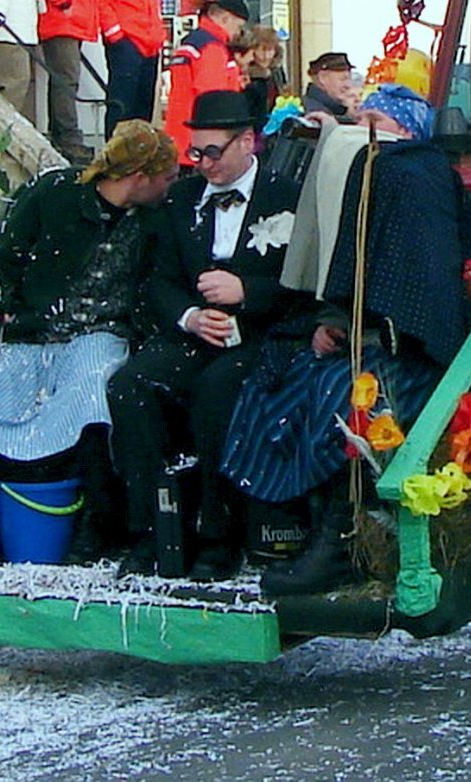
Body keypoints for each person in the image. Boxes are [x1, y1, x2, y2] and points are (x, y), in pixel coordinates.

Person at [220, 85, 471, 595]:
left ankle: (343, 542)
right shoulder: (373, 173)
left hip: (414, 352)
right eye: (359, 118)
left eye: (372, 121)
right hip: (363, 338)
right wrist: (330, 322)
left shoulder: (415, 176)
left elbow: (420, 284)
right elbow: (348, 266)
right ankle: (293, 526)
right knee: (281, 379)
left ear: (404, 130)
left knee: (342, 399)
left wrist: (371, 328)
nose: (359, 129)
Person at [0, 121, 179, 569]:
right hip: (30, 331)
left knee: (92, 393)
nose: (171, 186)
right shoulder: (52, 194)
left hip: (101, 333)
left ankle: (94, 525)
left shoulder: (156, 220)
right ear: (141, 177)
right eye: (168, 177)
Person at [108, 91, 303, 581]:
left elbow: (305, 285)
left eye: (213, 152)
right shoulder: (181, 199)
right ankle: (150, 530)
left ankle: (218, 535)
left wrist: (247, 292)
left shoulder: (286, 197)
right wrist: (191, 316)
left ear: (248, 142)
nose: (203, 164)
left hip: (261, 334)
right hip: (196, 332)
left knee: (217, 391)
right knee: (129, 385)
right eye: (196, 152)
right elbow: (159, 280)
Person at [163, 0, 248, 170]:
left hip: (180, 138)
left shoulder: (191, 43)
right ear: (225, 18)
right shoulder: (212, 47)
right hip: (200, 147)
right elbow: (213, 100)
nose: (237, 33)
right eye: (238, 26)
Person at [39, 0, 99, 165]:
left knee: (64, 81)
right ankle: (68, 139)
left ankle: (61, 137)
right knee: (66, 82)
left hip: (70, 20)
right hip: (64, 20)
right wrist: (63, 3)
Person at [99, 0, 166, 138]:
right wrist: (115, 34)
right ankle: (116, 148)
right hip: (128, 41)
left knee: (144, 106)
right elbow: (101, 4)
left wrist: (158, 36)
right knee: (123, 105)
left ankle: (140, 148)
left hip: (150, 45)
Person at [245, 26, 287, 116]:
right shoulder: (245, 73)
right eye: (262, 50)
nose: (266, 56)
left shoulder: (277, 71)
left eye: (270, 50)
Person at [303, 51, 358, 118]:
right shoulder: (314, 112)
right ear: (322, 78)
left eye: (349, 79)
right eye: (343, 79)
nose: (348, 85)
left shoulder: (333, 109)